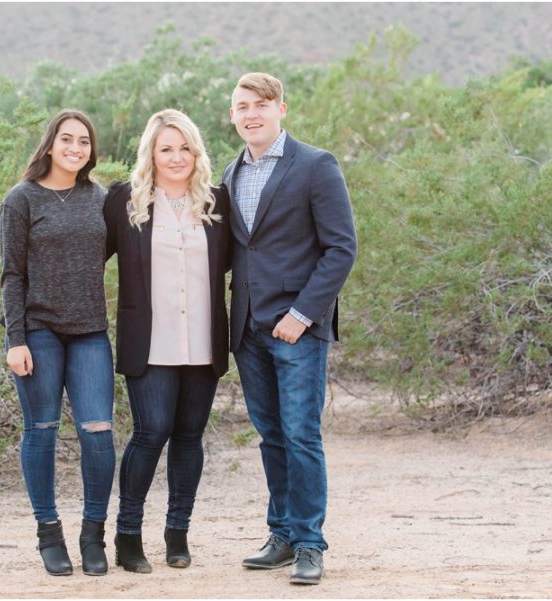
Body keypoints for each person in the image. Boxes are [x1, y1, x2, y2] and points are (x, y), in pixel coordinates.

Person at [221, 73, 357, 585]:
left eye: (260, 104)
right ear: (232, 115)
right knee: (271, 435)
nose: (251, 114)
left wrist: (302, 316)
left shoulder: (316, 165)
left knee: (301, 434)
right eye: (241, 107)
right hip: (249, 329)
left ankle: (309, 543)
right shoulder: (231, 174)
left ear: (282, 109)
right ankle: (280, 534)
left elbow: (341, 248)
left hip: (297, 327)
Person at [103, 109, 231, 573]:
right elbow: (87, 257)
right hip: (149, 341)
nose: (176, 157)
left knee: (189, 437)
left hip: (203, 340)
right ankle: (128, 535)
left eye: (184, 148)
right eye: (166, 149)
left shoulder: (218, 203)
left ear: (197, 152)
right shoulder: (125, 201)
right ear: (150, 154)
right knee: (151, 431)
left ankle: (178, 534)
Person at [0, 109, 115, 577]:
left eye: (84, 141)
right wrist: (16, 339)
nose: (75, 148)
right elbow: (12, 274)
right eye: (67, 139)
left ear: (91, 150)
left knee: (98, 434)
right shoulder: (20, 200)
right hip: (39, 332)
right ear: (50, 144)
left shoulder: (100, 199)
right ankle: (49, 535)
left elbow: (103, 254)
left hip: (90, 331)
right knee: (41, 430)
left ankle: (93, 535)